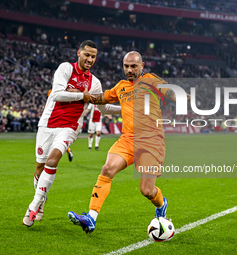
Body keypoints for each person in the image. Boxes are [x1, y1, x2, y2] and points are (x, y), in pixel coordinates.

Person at [68, 51, 190, 233]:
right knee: (107, 169)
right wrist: (81, 94)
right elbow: (101, 98)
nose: (130, 70)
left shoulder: (151, 80)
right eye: (126, 66)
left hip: (151, 142)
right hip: (128, 139)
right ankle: (91, 218)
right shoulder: (121, 87)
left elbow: (168, 89)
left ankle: (161, 204)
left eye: (133, 66)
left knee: (147, 191)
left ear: (142, 65)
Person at [22, 40, 121, 227]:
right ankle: (42, 200)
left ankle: (34, 205)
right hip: (47, 123)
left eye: (93, 56)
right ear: (79, 53)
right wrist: (81, 96)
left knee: (52, 160)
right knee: (39, 168)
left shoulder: (95, 83)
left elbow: (103, 107)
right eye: (87, 55)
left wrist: (124, 108)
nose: (90, 59)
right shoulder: (65, 69)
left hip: (70, 127)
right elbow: (56, 94)